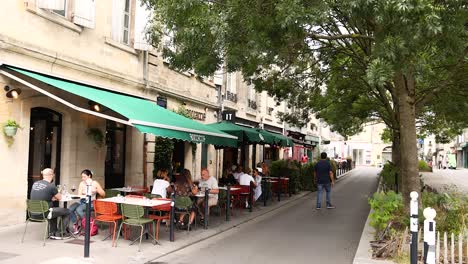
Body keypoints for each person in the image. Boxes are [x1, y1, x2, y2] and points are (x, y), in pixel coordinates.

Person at [30, 168, 72, 239]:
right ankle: (60, 233)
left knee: (53, 210)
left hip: (33, 213)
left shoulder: (35, 184)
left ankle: (52, 233)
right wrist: (55, 196)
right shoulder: (51, 186)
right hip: (45, 213)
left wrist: (52, 197)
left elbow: (42, 196)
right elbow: (60, 198)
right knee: (67, 211)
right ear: (51, 175)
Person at [69, 169, 105, 235]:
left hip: (91, 202)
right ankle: (76, 224)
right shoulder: (81, 183)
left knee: (79, 209)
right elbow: (79, 195)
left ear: (89, 176)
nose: (83, 178)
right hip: (82, 201)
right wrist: (84, 194)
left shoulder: (95, 183)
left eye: (84, 177)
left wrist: (96, 190)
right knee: (70, 209)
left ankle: (88, 225)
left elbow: (103, 194)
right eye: (82, 177)